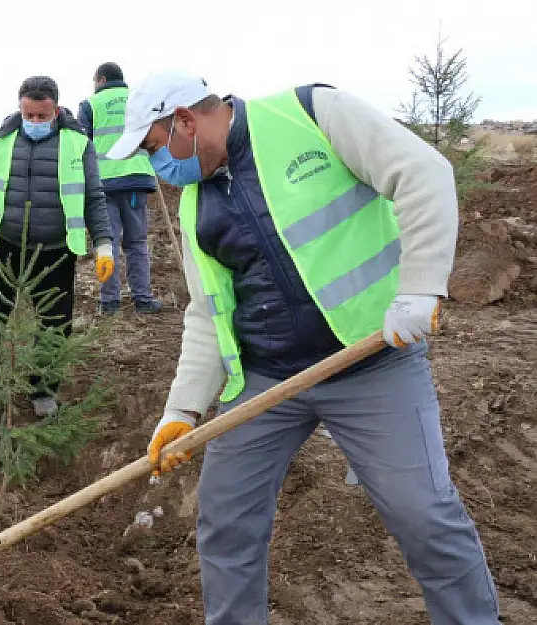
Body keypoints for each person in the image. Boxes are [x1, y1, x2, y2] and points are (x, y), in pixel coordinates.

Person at [108, 71, 500, 624]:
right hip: (267, 380)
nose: (158, 168)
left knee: (425, 515)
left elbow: (423, 173)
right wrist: (182, 409)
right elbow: (206, 314)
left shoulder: (312, 114)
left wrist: (419, 287)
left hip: (370, 362)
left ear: (185, 121)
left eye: (154, 148)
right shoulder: (194, 204)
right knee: (226, 521)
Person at [0, 76, 115, 423]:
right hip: (6, 248)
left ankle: (43, 391)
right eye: (28, 115)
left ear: (55, 110)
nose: (34, 122)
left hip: (57, 251)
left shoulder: (78, 143)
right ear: (20, 108)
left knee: (55, 325)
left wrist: (104, 245)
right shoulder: (0, 141)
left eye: (41, 116)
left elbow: (94, 198)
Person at [77, 62, 162, 314]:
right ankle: (143, 300)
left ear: (101, 79)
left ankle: (110, 302)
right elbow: (153, 135)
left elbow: (83, 144)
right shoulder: (137, 100)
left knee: (107, 242)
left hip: (103, 184)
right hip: (136, 179)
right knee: (136, 243)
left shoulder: (89, 105)